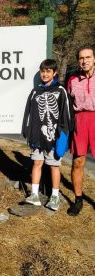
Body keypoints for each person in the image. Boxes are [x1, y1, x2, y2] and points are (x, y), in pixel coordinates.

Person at [22, 59, 72, 211]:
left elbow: (66, 115)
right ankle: (35, 195)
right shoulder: (35, 91)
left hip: (53, 136)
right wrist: (27, 131)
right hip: (38, 136)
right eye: (43, 71)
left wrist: (63, 137)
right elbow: (28, 113)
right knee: (37, 163)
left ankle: (55, 196)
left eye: (48, 71)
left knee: (54, 166)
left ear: (54, 73)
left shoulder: (61, 90)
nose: (45, 74)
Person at [67, 45, 95, 216]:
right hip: (80, 120)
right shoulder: (72, 80)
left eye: (88, 57)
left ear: (94, 59)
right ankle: (78, 200)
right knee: (78, 162)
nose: (84, 61)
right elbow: (68, 103)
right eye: (81, 58)